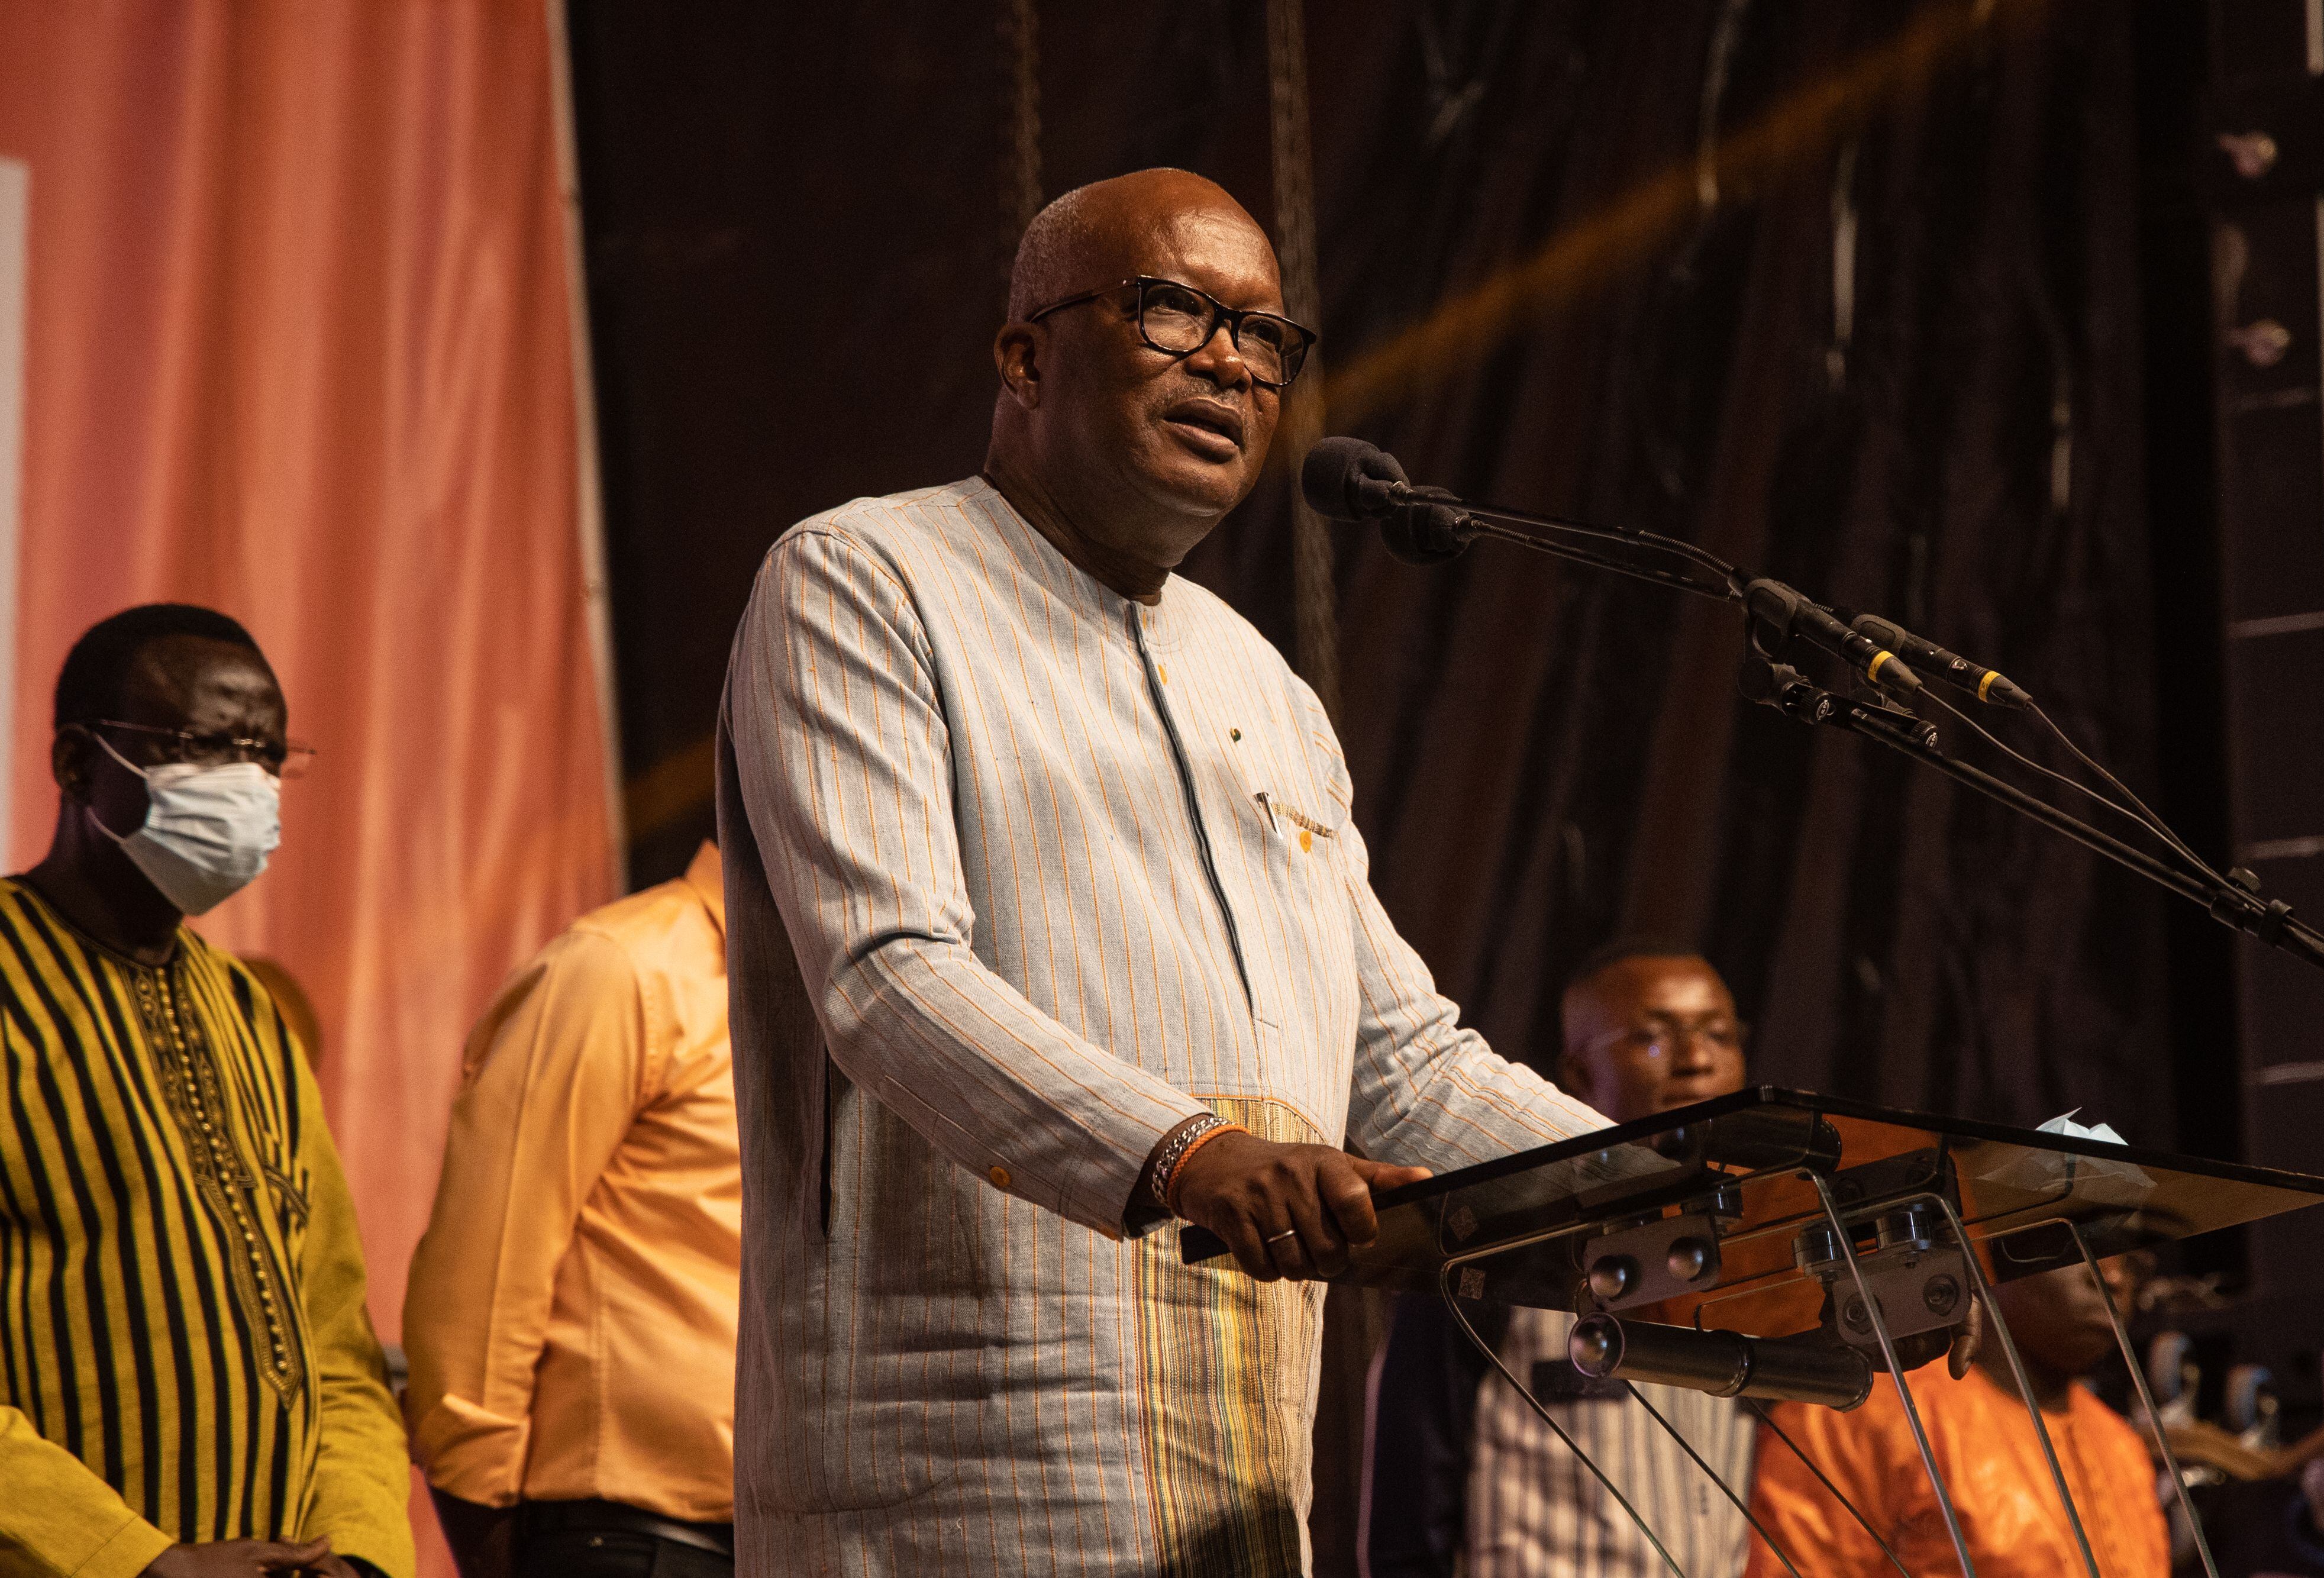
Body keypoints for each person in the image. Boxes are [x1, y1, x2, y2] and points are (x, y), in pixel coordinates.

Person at [716, 167, 1624, 1575]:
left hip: (1234, 1495)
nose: (1230, 363)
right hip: (963, 1498)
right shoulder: (864, 578)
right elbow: (887, 977)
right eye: (1172, 311)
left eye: (1262, 335)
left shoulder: (1259, 681)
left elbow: (1398, 1065)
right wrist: (1188, 1154)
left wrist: (1674, 1192)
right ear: (1025, 356)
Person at [0, 604, 412, 1578]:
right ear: (76, 763)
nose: (247, 782)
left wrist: (359, 1550)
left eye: (266, 754)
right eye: (202, 746)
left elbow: (336, 1346)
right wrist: (137, 1560)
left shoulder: (249, 1013)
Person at [1363, 942, 1758, 1576]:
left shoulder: (1759, 1252)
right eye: (1653, 1038)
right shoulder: (1493, 1253)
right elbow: (1408, 1509)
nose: (1696, 1060)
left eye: (1718, 1034)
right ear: (1578, 1075)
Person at [404, 840, 736, 1578]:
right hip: (638, 1543)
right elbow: (482, 1284)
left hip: (813, 1532)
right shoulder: (622, 969)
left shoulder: (860, 998)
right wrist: (492, 1549)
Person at [1744, 1256, 2170, 1574]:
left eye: (2132, 1263)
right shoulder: (1866, 1410)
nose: (2113, 1278)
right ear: (1987, 1251)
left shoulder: (2123, 1447)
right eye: (2080, 1248)